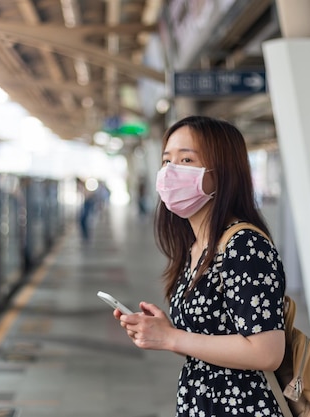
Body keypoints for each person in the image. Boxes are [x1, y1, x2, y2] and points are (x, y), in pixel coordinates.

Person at [114, 115, 287, 417]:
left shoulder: (244, 245)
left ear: (221, 172)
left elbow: (267, 352)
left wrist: (172, 337)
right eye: (167, 160)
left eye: (186, 160)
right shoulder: (198, 246)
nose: (170, 172)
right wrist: (165, 332)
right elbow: (212, 341)